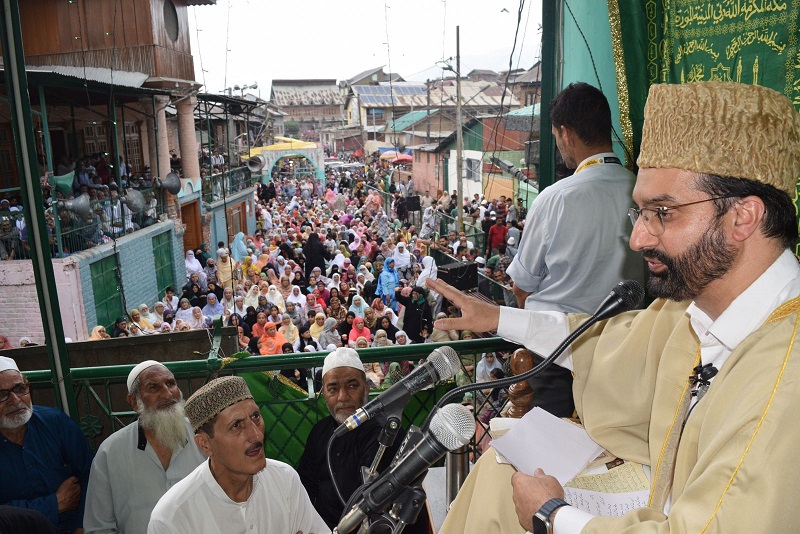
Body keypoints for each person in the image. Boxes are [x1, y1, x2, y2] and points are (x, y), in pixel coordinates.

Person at [430, 81, 800, 533]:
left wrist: (554, 516)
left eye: (662, 213)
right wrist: (500, 317)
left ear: (743, 218)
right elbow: (604, 347)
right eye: (639, 213)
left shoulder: (783, 378)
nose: (639, 238)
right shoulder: (694, 308)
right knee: (496, 477)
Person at [505, 82, 645, 418]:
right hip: (625, 351)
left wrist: (539, 330)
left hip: (556, 356)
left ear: (566, 133)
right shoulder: (641, 190)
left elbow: (521, 286)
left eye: (555, 136)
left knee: (548, 455)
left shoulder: (555, 198)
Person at [148, 376, 327, 533]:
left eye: (256, 417)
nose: (256, 435)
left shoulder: (284, 480)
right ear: (205, 444)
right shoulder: (172, 518)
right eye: (236, 426)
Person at [296, 348, 429, 532]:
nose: (343, 397)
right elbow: (305, 487)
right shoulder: (320, 431)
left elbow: (376, 508)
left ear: (366, 387)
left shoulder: (384, 433)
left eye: (352, 386)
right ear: (324, 394)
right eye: (333, 389)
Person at [84, 361, 206, 534]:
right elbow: (99, 528)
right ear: (134, 402)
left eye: (170, 383)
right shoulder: (109, 453)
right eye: (153, 387)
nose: (167, 393)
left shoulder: (204, 436)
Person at [0, 356, 94, 533]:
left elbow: (90, 475)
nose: (15, 400)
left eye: (20, 389)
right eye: (1, 395)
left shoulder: (55, 422)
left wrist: (81, 527)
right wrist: (54, 504)